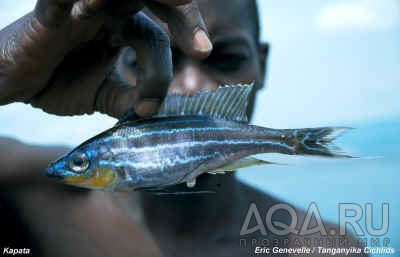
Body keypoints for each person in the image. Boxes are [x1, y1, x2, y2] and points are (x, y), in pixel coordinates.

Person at [0, 0, 365, 256]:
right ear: (110, 65)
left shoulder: (325, 247)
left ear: (262, 64)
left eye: (227, 58)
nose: (190, 86)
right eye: (148, 56)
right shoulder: (25, 193)